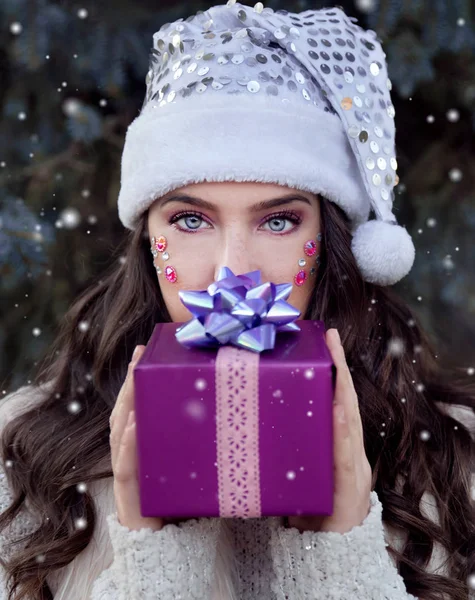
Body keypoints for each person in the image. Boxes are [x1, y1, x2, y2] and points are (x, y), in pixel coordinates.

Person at [1, 2, 474, 599]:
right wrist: (157, 558)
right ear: (149, 238)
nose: (234, 274)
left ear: (328, 240)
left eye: (278, 222)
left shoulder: (451, 462)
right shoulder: (25, 458)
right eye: (191, 219)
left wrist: (341, 553)